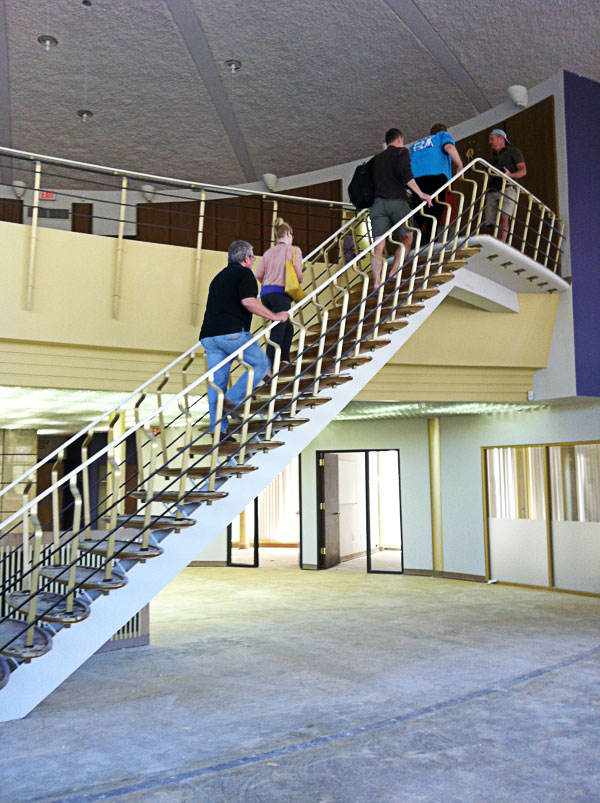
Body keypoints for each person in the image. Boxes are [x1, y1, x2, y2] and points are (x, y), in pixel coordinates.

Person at [199, 240, 290, 439]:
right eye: (253, 257)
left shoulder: (218, 277)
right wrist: (275, 316)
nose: (253, 261)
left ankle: (219, 431)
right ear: (247, 258)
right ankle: (232, 400)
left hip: (209, 337)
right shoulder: (244, 274)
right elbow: (248, 301)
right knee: (260, 363)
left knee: (217, 383)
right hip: (232, 333)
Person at [369, 128, 432, 289]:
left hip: (378, 205)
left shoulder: (376, 159)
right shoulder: (402, 152)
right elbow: (406, 174)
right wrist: (420, 194)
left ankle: (376, 283)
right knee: (407, 238)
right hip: (397, 201)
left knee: (378, 245)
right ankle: (393, 272)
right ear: (399, 139)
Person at [254, 218, 302, 369]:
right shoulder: (294, 250)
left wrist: (269, 281)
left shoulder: (268, 252)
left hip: (266, 294)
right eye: (292, 235)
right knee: (278, 330)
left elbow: (258, 274)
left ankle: (284, 360)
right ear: (288, 234)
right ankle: (267, 367)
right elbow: (298, 275)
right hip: (281, 293)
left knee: (288, 327)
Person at [409, 123, 463, 242]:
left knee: (420, 209)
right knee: (436, 208)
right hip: (436, 176)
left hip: (416, 180)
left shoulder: (415, 145)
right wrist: (459, 164)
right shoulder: (442, 136)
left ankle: (418, 239)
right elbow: (449, 147)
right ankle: (429, 239)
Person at [484, 128, 527, 243]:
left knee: (504, 216)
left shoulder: (513, 152)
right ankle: (494, 243)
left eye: (492, 139)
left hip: (507, 187)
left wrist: (510, 175)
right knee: (492, 221)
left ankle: (501, 243)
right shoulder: (491, 159)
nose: (490, 142)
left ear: (500, 138)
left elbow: (523, 171)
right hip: (492, 190)